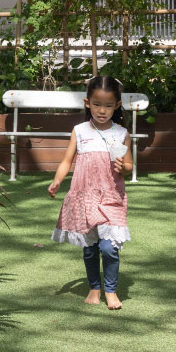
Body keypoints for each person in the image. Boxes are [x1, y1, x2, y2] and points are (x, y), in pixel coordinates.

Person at [47, 75, 132, 310]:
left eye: (108, 105)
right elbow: (67, 161)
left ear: (116, 105)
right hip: (84, 196)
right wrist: (57, 181)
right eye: (97, 104)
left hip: (111, 197)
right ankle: (94, 288)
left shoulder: (121, 133)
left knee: (108, 247)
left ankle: (111, 290)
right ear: (87, 103)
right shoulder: (80, 131)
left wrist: (123, 167)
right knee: (90, 248)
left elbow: (129, 165)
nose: (102, 110)